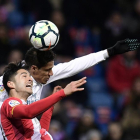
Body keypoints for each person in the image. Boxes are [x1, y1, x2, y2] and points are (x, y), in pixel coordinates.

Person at [0, 38, 139, 139]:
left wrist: (109, 52)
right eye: (48, 70)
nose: (52, 73)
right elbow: (27, 112)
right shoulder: (8, 85)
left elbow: (75, 65)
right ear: (34, 68)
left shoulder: (38, 79)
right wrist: (61, 94)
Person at [0, 62, 86, 139]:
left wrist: (51, 106)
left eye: (29, 76)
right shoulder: (9, 104)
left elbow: (41, 132)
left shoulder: (24, 108)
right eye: (24, 76)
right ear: (11, 84)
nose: (30, 79)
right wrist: (62, 93)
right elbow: (28, 112)